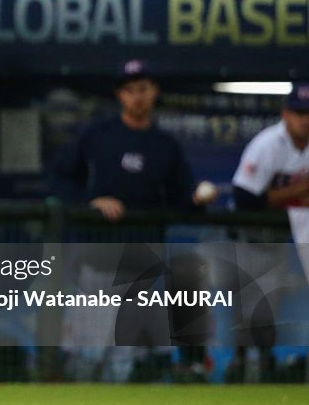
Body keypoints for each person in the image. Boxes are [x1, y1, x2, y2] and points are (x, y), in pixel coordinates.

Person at [51, 59, 217, 382]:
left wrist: (197, 198)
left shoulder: (165, 146)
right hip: (98, 257)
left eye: (143, 89)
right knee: (89, 350)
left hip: (141, 262)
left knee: (123, 355)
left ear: (154, 92)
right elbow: (59, 180)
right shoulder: (97, 135)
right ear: (120, 96)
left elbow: (181, 199)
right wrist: (91, 201)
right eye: (130, 90)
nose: (137, 97)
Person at [228, 82, 309, 382]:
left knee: (268, 307)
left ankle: (263, 367)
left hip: (283, 236)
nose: (305, 119)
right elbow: (245, 197)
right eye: (299, 112)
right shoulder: (268, 143)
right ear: (286, 114)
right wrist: (299, 189)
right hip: (251, 236)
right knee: (248, 307)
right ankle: (238, 367)